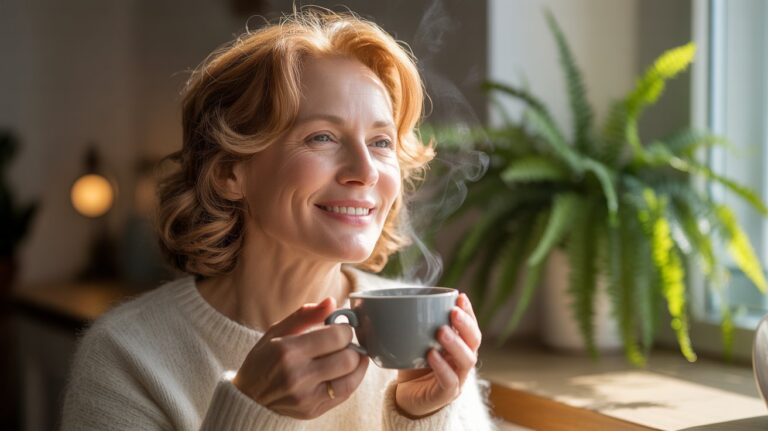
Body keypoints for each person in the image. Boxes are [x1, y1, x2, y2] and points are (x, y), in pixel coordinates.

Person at [61, 8, 495, 431]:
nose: (364, 171)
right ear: (231, 172)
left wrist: (422, 419)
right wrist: (251, 411)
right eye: (322, 137)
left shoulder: (420, 338)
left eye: (381, 142)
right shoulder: (127, 355)